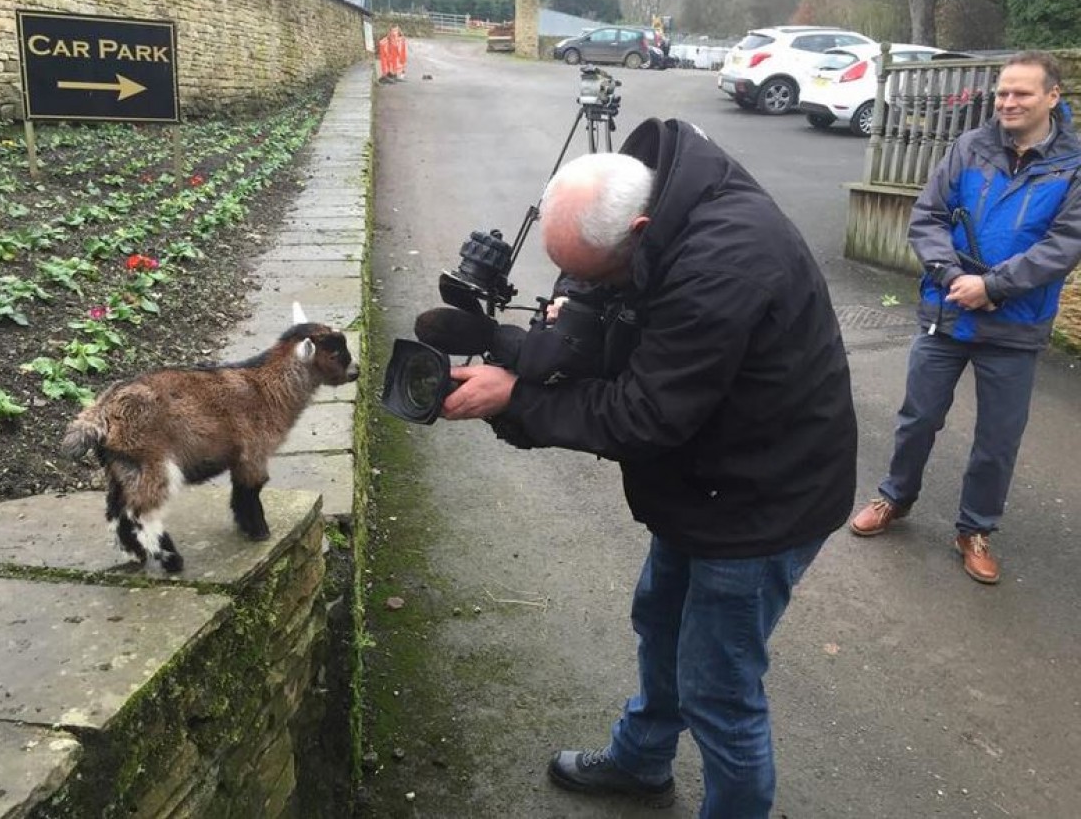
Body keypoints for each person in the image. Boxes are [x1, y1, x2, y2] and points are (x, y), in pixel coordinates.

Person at [440, 118, 858, 816]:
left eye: (591, 272)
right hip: (703, 476)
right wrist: (516, 346)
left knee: (719, 691)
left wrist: (515, 400)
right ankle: (641, 761)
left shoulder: (723, 264)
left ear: (638, 230)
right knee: (661, 621)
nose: (576, 284)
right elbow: (610, 324)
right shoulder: (658, 201)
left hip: (761, 498)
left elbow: (645, 414)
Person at [848, 50, 1081, 585]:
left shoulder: (1072, 165)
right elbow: (927, 216)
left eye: (1021, 93)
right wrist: (953, 276)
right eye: (1002, 92)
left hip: (1016, 325)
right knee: (918, 417)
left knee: (998, 439)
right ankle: (895, 497)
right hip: (948, 311)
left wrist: (994, 286)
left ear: (1052, 97)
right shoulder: (969, 146)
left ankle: (975, 529)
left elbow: (1063, 245)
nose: (1008, 102)